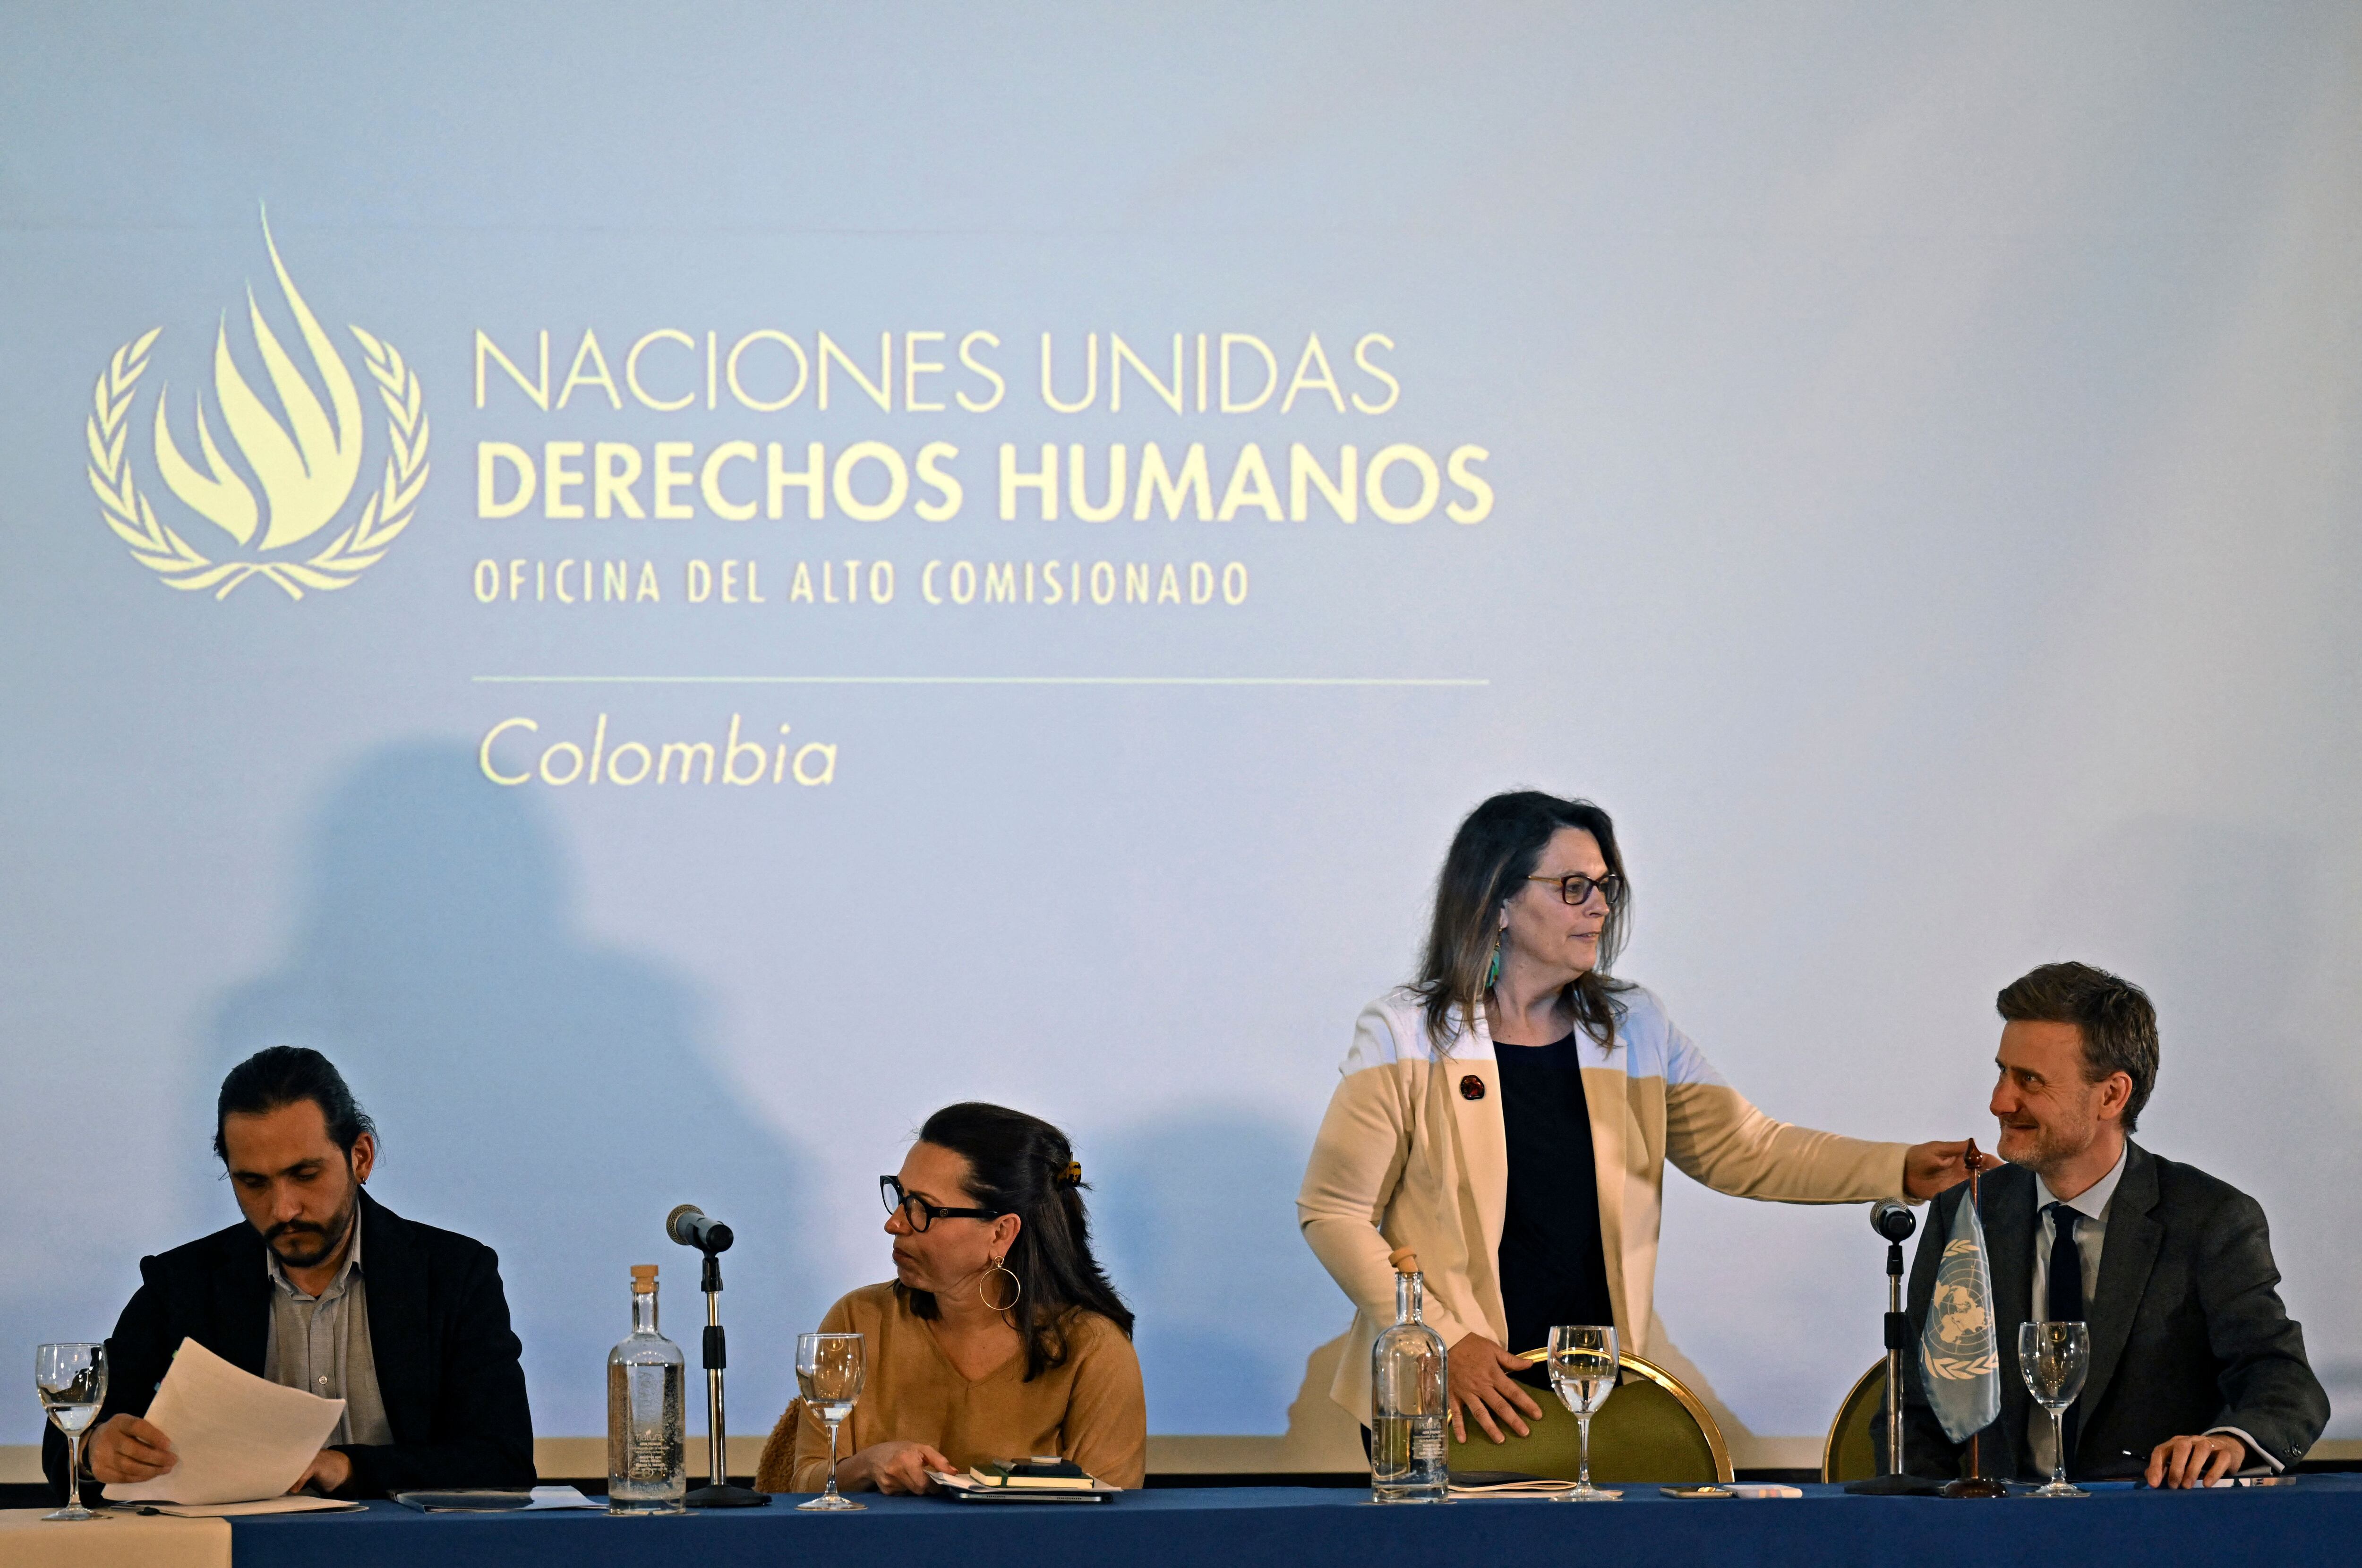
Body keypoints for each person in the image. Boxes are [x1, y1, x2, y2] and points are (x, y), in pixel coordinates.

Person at [1298, 791, 1977, 1444]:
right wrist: (1445, 1342)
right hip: (1456, 1396)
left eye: (1604, 886)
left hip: (1592, 1390)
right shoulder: (1407, 1032)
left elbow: (1747, 1148)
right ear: (1498, 901)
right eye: (1572, 886)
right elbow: (1334, 1211)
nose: (1598, 906)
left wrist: (1899, 1166)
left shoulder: (1633, 1024)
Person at [1895, 962, 2328, 1485]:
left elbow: (2280, 1379)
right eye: (2002, 1072)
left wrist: (2228, 1442)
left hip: (2145, 1533)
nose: (1998, 1101)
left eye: (2028, 1080)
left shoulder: (2208, 1218)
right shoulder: (1965, 1212)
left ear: (2111, 1095)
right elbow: (1915, 1410)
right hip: (1992, 1537)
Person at [44, 1047, 535, 1501]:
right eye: (252, 1182)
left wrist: (344, 1467)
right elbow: (64, 1440)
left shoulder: (453, 1274)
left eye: (305, 1175)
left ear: (360, 1157)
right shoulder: (183, 1282)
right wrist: (94, 1451)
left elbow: (503, 1461)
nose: (283, 1208)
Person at [754, 1103, 1146, 1493]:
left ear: (1000, 1232)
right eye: (899, 1196)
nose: (894, 1223)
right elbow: (801, 1486)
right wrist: (865, 1466)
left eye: (922, 1208)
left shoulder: (1093, 1349)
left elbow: (1108, 1530)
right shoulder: (859, 1319)